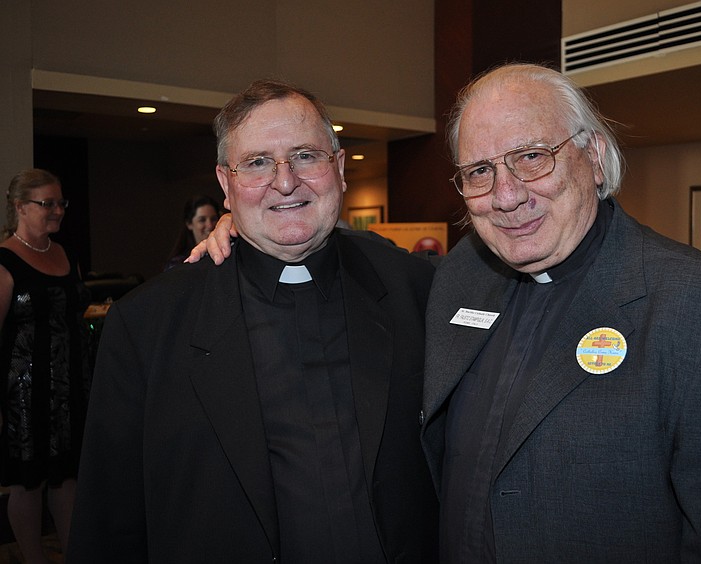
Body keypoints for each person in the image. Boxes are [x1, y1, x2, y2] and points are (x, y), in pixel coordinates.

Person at [418, 63, 701, 562]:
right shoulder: (459, 278)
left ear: (595, 157)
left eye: (532, 157)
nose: (506, 196)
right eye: (480, 171)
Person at [67, 80, 438, 563]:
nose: (285, 182)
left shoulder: (416, 290)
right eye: (258, 162)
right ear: (226, 185)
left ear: (340, 168)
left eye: (305, 156)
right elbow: (109, 521)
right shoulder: (147, 326)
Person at [0, 168, 91, 563]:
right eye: (47, 203)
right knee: (28, 483)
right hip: (24, 395)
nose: (58, 210)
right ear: (20, 207)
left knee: (67, 477)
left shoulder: (66, 254)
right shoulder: (5, 261)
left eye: (61, 203)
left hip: (70, 389)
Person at [163, 194, 221, 270]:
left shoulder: (227, 253)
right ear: (189, 224)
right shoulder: (177, 264)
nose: (210, 225)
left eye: (213, 219)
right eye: (202, 220)